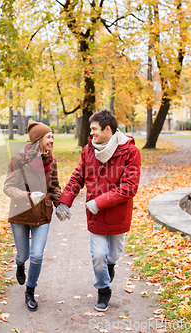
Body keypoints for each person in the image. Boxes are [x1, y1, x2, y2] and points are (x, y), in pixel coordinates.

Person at [56, 110, 141, 312]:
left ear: (107, 129)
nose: (91, 133)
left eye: (94, 129)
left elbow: (129, 187)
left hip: (118, 214)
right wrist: (64, 202)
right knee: (98, 257)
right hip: (95, 216)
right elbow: (78, 177)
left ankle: (110, 266)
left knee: (112, 255)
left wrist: (99, 202)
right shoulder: (88, 150)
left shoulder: (129, 151)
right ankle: (103, 290)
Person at [3, 120, 61, 311]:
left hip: (42, 213)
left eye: (52, 136)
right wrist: (28, 197)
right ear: (38, 140)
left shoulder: (51, 160)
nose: (52, 140)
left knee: (36, 256)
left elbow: (54, 187)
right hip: (21, 212)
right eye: (49, 137)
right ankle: (20, 264)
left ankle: (30, 290)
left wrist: (61, 205)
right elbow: (8, 187)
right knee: (24, 255)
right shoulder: (18, 159)